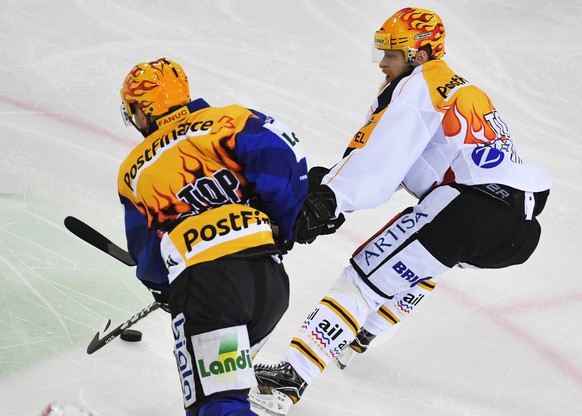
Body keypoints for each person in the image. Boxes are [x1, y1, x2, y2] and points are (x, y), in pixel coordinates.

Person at [250, 7, 552, 415]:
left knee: (362, 277)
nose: (382, 62)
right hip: (520, 230)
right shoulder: (462, 89)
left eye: (391, 53)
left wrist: (330, 199)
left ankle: (288, 381)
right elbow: (407, 163)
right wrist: (334, 186)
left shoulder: (420, 87)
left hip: (471, 208)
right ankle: (361, 336)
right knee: (422, 261)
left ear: (419, 54)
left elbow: (380, 159)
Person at [117, 57, 309, 415]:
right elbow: (287, 157)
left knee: (219, 406)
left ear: (143, 110)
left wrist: (166, 289)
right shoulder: (228, 120)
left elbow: (147, 253)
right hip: (268, 283)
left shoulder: (135, 170)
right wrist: (281, 225)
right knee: (226, 394)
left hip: (211, 291)